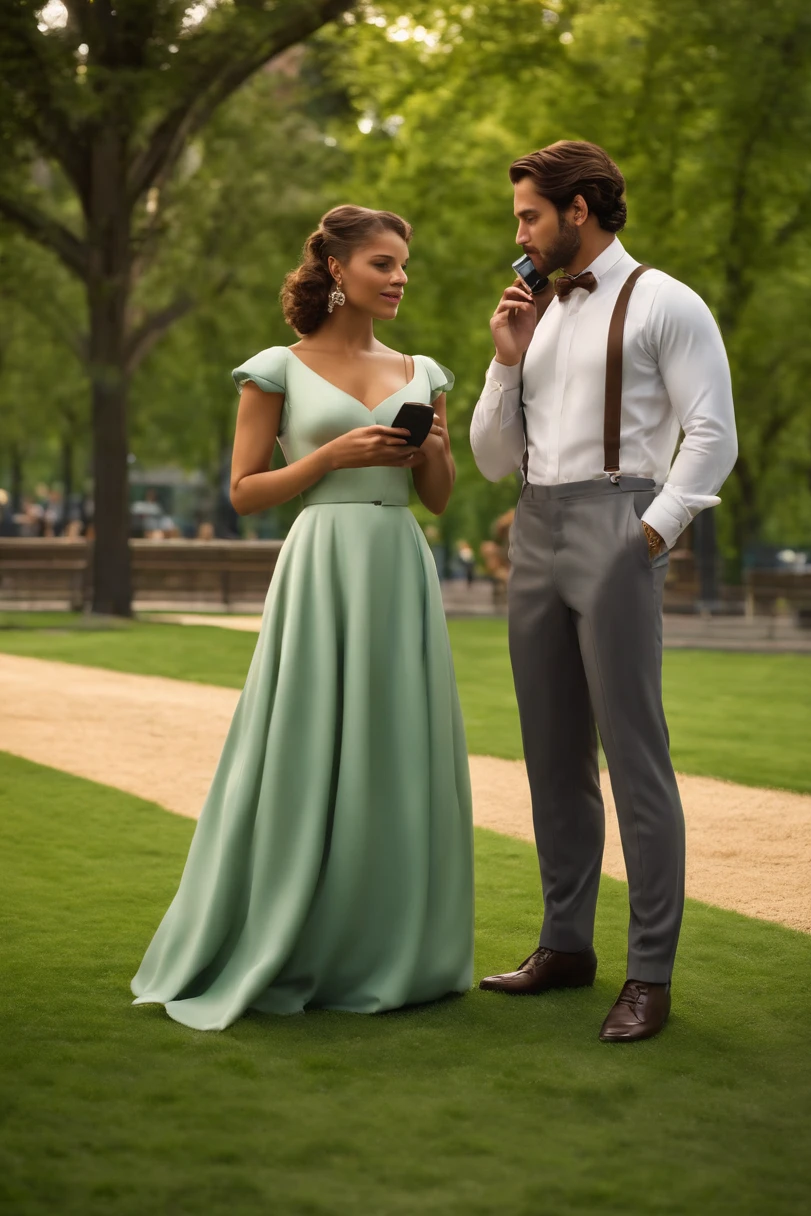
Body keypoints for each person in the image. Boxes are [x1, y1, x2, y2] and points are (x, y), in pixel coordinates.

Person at [132, 205, 474, 1030]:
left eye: (402, 266)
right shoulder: (274, 369)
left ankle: (394, 945)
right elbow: (245, 494)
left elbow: (437, 500)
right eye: (383, 265)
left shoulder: (422, 370)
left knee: (394, 752)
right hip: (320, 564)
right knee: (303, 745)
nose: (398, 279)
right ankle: (284, 933)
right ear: (335, 268)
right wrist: (329, 456)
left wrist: (432, 451)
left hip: (398, 565)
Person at [470, 141, 737, 1042]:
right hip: (535, 527)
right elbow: (491, 457)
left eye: (529, 215)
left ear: (578, 208)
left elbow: (713, 434)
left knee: (635, 756)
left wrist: (653, 532)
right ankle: (565, 945)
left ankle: (649, 973)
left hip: (620, 524)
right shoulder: (534, 311)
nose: (520, 231)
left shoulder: (666, 301)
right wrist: (507, 360)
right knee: (551, 754)